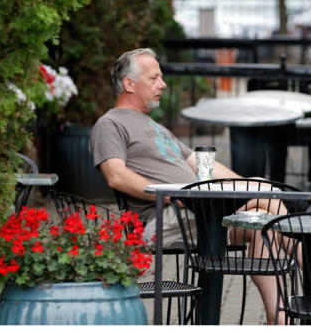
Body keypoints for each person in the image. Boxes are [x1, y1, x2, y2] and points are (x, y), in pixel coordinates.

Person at [90, 47, 287, 325]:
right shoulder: (109, 124)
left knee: (263, 223)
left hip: (201, 210)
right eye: (154, 78)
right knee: (266, 196)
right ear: (129, 84)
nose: (163, 84)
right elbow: (116, 176)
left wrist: (244, 186)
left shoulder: (156, 127)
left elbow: (199, 163)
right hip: (165, 217)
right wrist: (174, 196)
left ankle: (279, 320)